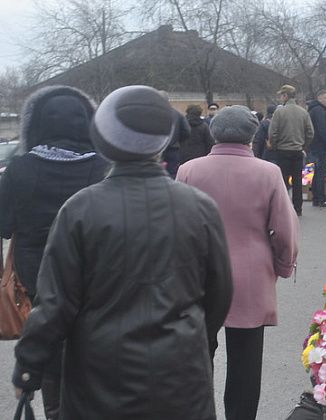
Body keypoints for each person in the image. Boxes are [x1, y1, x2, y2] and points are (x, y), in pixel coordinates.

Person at [12, 85, 234, 419]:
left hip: (99, 375)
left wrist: (29, 366)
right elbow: (219, 292)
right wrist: (191, 334)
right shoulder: (200, 207)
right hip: (181, 371)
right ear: (164, 139)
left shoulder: (80, 209)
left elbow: (55, 303)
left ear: (103, 137)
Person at [178, 106, 299, 420]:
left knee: (198, 357)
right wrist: (284, 264)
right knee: (246, 361)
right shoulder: (269, 172)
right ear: (252, 134)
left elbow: (176, 226)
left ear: (214, 132)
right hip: (251, 275)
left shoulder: (189, 170)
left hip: (199, 275)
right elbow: (284, 228)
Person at [0, 85, 110, 419]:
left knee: (50, 336)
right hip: (93, 270)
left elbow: (4, 226)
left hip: (36, 272)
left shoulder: (20, 168)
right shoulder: (104, 167)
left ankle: (56, 409)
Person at [268, 84, 314, 216]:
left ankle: (283, 209)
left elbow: (273, 133)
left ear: (285, 96)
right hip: (297, 151)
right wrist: (304, 146)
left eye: (281, 96)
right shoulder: (303, 112)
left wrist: (275, 145)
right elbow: (310, 133)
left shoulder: (279, 112)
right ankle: (298, 209)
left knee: (282, 181)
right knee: (297, 181)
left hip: (283, 150)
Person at [306, 90, 326, 207]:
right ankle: (321, 199)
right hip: (319, 146)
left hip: (315, 145)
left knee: (318, 173)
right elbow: (322, 130)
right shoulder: (319, 111)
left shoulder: (315, 109)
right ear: (319, 98)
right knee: (320, 173)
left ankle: (316, 198)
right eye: (325, 98)